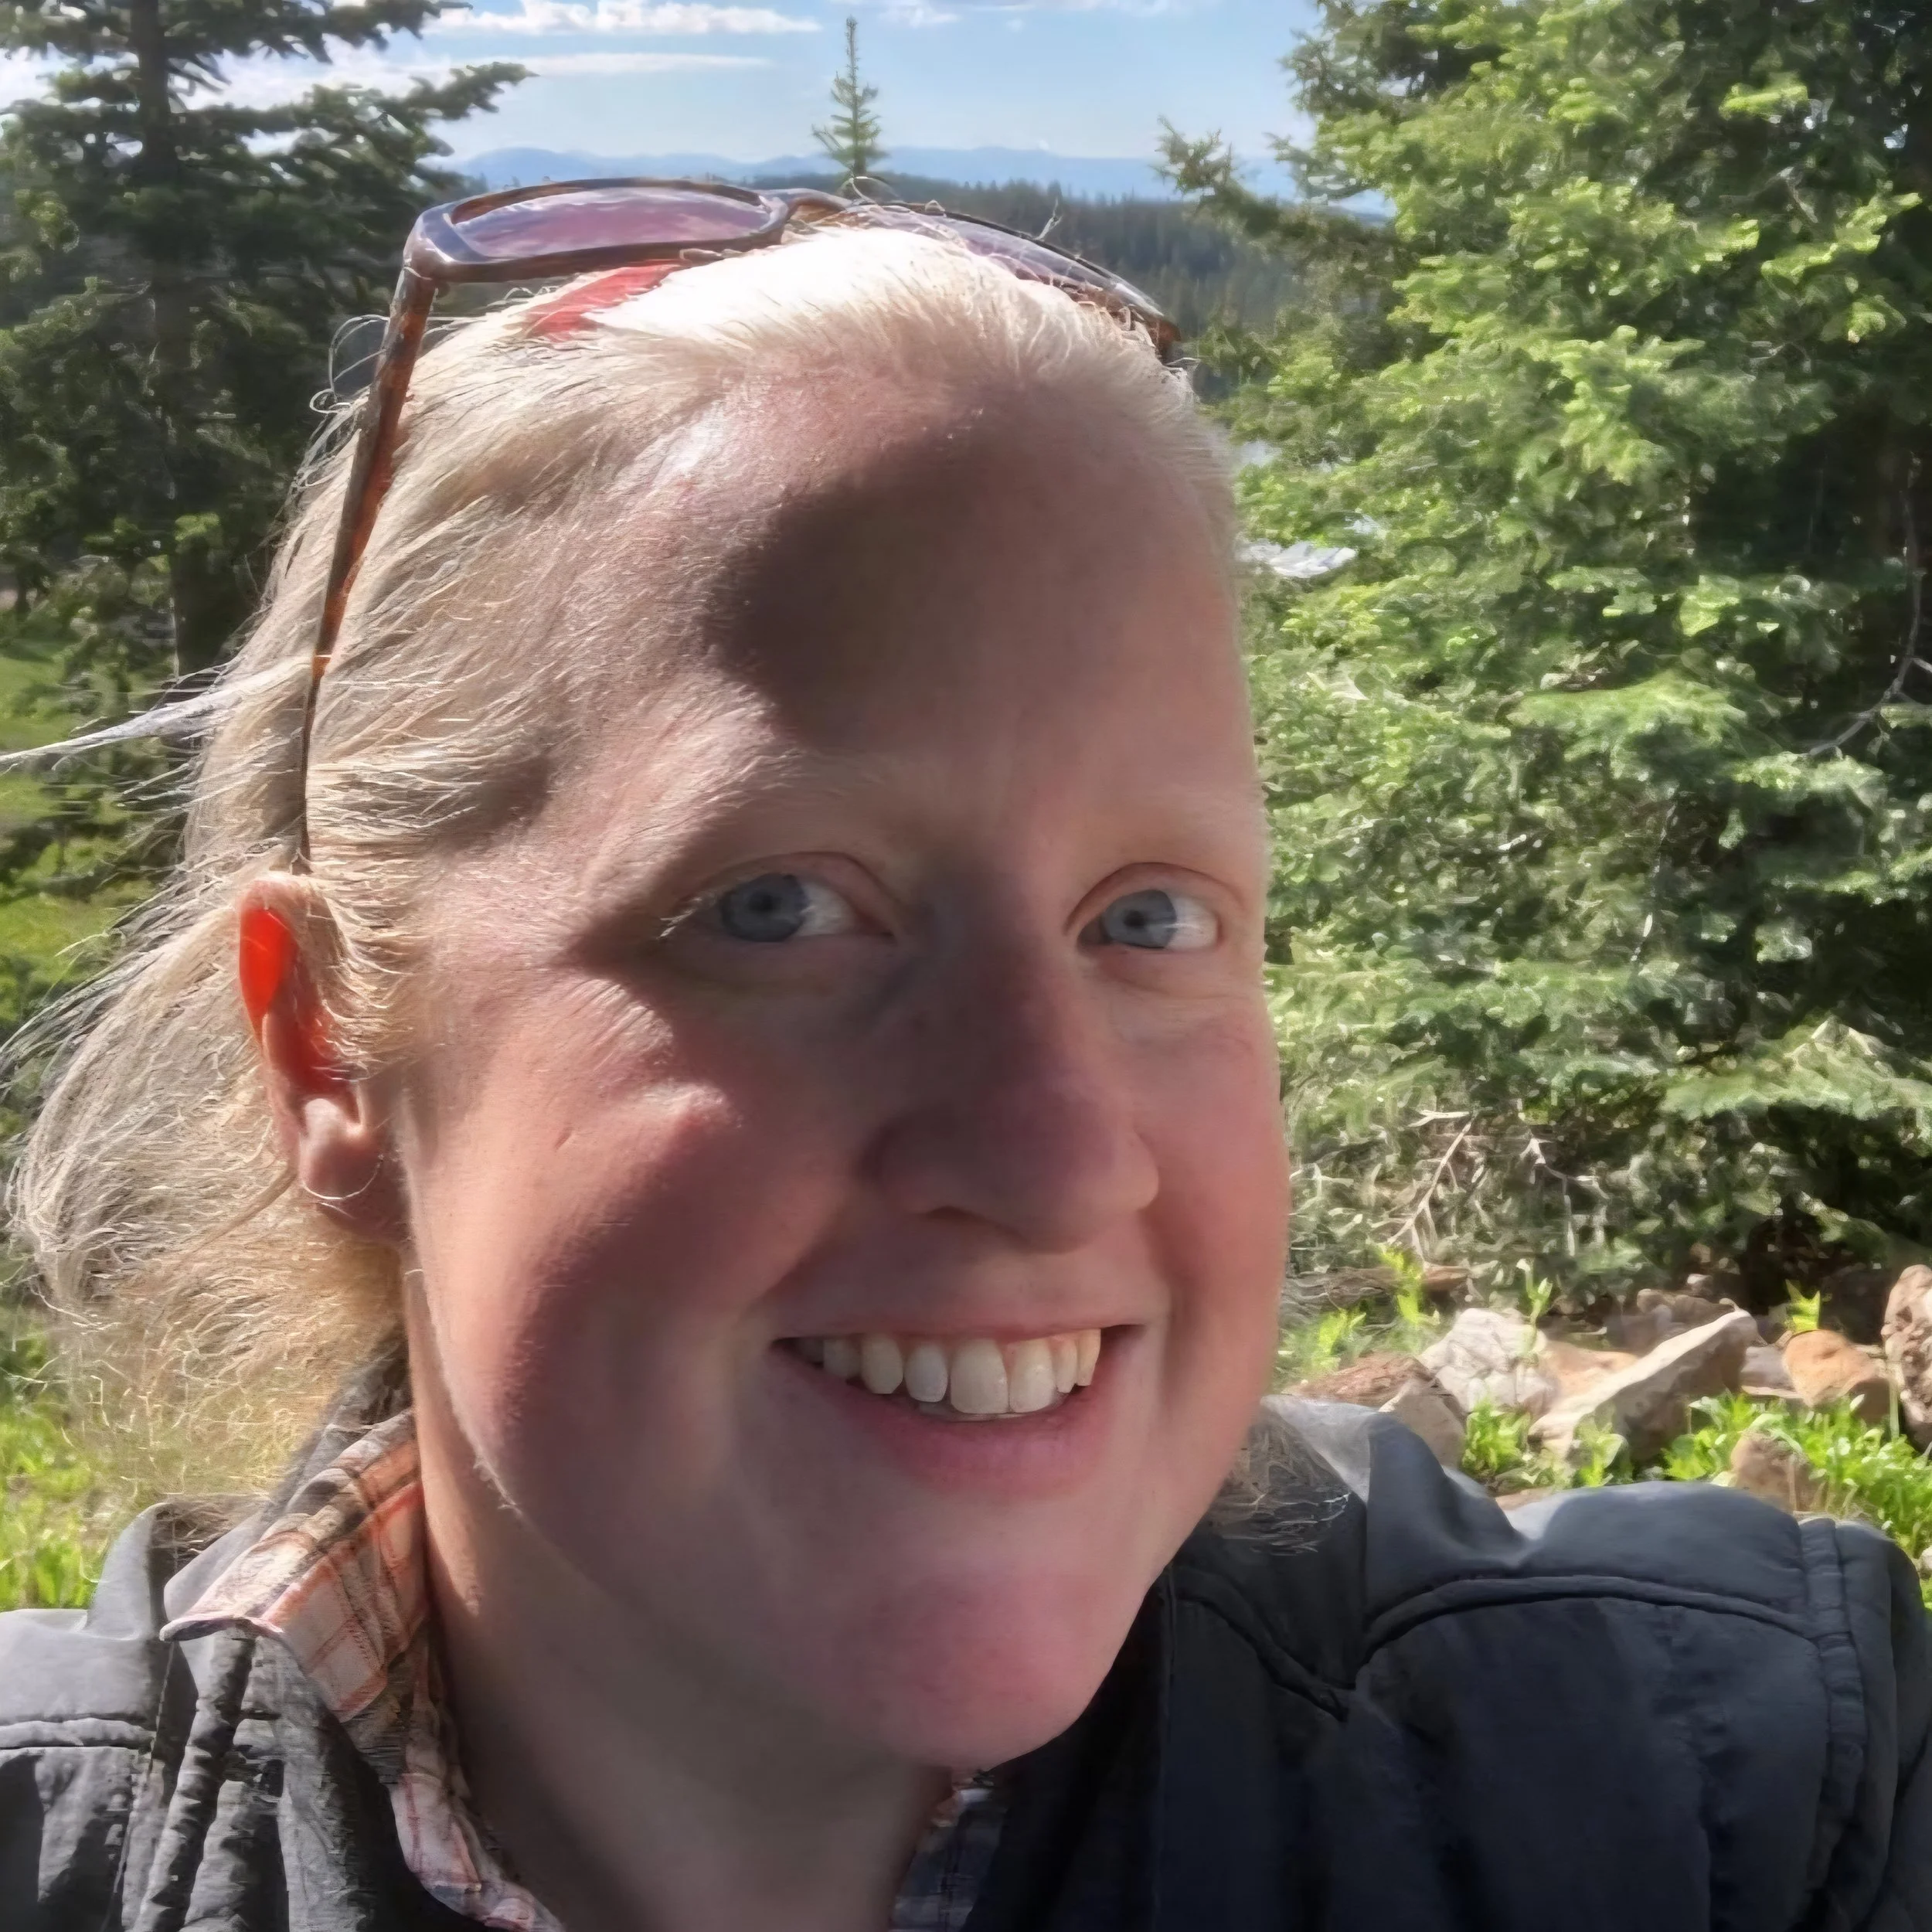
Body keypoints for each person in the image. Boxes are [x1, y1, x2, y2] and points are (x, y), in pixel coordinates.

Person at [2, 192, 1927, 1932]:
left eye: (1147, 918)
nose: (1055, 1151)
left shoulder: (1734, 1801)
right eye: (777, 907)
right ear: (327, 1043)